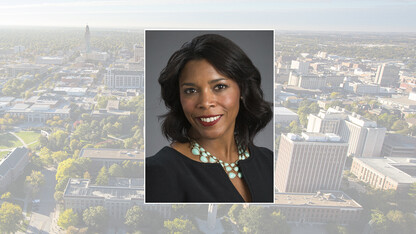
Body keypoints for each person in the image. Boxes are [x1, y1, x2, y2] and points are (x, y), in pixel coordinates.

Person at [146, 33, 273, 203]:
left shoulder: (269, 162)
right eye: (191, 90)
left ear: (242, 90)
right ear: (179, 98)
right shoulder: (157, 172)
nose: (205, 103)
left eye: (219, 86)